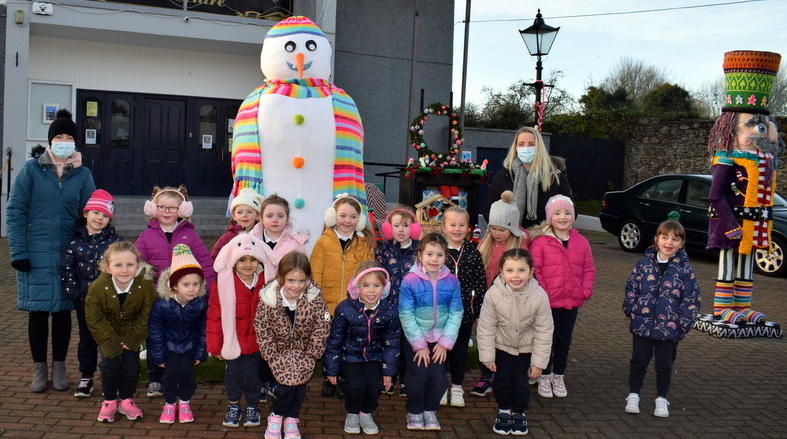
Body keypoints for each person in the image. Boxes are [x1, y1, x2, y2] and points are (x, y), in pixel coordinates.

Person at [7, 109, 96, 393]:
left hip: (68, 255)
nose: (64, 141)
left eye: (69, 137)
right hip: (34, 253)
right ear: (50, 140)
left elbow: (90, 214)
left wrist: (90, 252)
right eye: (59, 136)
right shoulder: (31, 169)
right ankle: (39, 368)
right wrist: (18, 251)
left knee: (61, 312)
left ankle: (59, 366)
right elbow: (15, 210)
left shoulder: (83, 174)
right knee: (37, 311)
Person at [135, 185, 216, 397]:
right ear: (153, 209)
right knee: (156, 336)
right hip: (157, 298)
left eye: (173, 208)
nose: (167, 212)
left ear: (182, 210)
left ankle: (177, 374)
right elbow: (139, 264)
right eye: (162, 207)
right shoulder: (146, 236)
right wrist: (147, 289)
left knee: (179, 336)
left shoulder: (190, 236)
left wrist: (207, 290)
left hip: (184, 298)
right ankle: (155, 377)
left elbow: (205, 264)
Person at [623, 220, 701, 418]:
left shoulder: (685, 270)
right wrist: (631, 309)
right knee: (638, 361)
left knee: (664, 365)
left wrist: (683, 325)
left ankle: (661, 399)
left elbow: (691, 298)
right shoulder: (644, 264)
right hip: (643, 325)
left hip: (670, 329)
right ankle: (633, 395)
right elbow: (632, 287)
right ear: (656, 239)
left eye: (675, 239)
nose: (669, 243)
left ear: (681, 243)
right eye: (665, 237)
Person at [477, 248, 553, 436]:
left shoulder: (539, 296)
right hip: (501, 347)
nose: (516, 276)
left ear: (531, 272)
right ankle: (503, 411)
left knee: (520, 382)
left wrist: (538, 363)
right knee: (502, 381)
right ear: (501, 272)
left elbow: (544, 330)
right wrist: (487, 357)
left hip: (526, 348)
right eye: (510, 270)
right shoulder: (493, 295)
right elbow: (486, 327)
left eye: (521, 270)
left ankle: (519, 413)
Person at [254, 251, 331, 439]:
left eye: (301, 281)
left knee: (299, 386)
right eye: (291, 280)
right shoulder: (269, 299)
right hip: (278, 352)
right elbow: (261, 326)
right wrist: (271, 353)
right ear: (281, 278)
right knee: (286, 385)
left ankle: (290, 418)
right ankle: (277, 415)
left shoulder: (314, 299)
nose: (296, 286)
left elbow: (322, 325)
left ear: (308, 279)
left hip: (304, 351)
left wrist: (313, 352)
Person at [529, 195, 595, 399]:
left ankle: (558, 374)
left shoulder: (581, 242)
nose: (563, 217)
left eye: (567, 212)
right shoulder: (541, 242)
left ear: (573, 216)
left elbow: (588, 269)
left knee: (563, 340)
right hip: (547, 302)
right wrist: (545, 293)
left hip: (571, 301)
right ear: (549, 217)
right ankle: (544, 374)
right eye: (557, 213)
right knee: (544, 339)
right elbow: (535, 270)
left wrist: (584, 291)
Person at [325, 262, 401, 434]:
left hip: (374, 356)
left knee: (373, 386)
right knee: (356, 386)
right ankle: (352, 413)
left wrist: (389, 372)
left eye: (377, 285)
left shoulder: (389, 311)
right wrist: (331, 369)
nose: (371, 291)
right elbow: (335, 340)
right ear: (356, 287)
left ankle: (365, 412)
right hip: (350, 356)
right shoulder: (345, 309)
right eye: (366, 285)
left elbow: (392, 343)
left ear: (385, 288)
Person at [61, 189, 124, 398]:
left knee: (110, 341)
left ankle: (112, 377)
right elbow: (67, 271)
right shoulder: (73, 244)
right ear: (86, 213)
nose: (100, 218)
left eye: (105, 215)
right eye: (96, 213)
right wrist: (76, 295)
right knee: (87, 341)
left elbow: (125, 269)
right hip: (85, 303)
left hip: (111, 304)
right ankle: (86, 377)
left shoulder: (116, 243)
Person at [85, 241, 156, 422]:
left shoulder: (145, 287)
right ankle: (109, 401)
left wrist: (132, 338)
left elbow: (146, 314)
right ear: (107, 267)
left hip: (133, 335)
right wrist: (110, 342)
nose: (124, 270)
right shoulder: (98, 287)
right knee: (109, 367)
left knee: (131, 368)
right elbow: (94, 318)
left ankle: (126, 400)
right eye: (118, 265)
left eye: (130, 265)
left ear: (138, 265)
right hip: (108, 335)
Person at [311, 194, 374, 396]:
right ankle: (330, 378)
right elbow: (315, 272)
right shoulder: (323, 242)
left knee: (350, 344)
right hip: (328, 304)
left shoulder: (363, 244)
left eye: (353, 216)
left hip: (353, 305)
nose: (347, 221)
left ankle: (346, 379)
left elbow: (368, 272)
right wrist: (316, 299)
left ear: (360, 220)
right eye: (343, 215)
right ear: (333, 217)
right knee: (331, 343)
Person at [398, 233, 463, 431]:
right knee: (418, 375)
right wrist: (419, 345)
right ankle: (415, 411)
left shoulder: (452, 281)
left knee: (438, 377)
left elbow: (456, 312)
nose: (434, 259)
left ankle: (430, 410)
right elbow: (406, 314)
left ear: (446, 257)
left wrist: (445, 343)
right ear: (420, 255)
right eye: (430, 254)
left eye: (439, 255)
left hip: (440, 338)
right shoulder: (409, 281)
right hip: (416, 339)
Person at [207, 234, 267, 428]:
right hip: (232, 341)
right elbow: (215, 315)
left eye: (252, 259)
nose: (247, 264)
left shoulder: (266, 283)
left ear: (260, 260)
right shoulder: (223, 283)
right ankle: (233, 405)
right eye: (241, 259)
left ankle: (252, 405)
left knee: (252, 376)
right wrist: (216, 347)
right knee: (233, 375)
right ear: (233, 261)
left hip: (257, 342)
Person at [474, 190, 530, 397]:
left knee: (504, 339)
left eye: (501, 229)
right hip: (486, 301)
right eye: (493, 228)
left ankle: (502, 375)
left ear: (512, 228)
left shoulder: (519, 248)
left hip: (509, 302)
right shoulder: (485, 244)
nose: (496, 233)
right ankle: (485, 376)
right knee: (485, 337)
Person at [148, 244, 208, 424]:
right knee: (171, 375)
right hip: (169, 347)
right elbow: (155, 331)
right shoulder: (162, 304)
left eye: (196, 284)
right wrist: (158, 355)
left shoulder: (200, 304)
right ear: (174, 286)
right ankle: (169, 403)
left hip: (190, 346)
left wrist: (200, 351)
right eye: (186, 284)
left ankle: (185, 402)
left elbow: (203, 329)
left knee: (187, 375)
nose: (192, 289)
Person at [440, 206, 486, 408]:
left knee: (459, 351)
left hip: (465, 314)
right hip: (440, 315)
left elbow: (480, 283)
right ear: (443, 227)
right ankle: (440, 386)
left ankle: (457, 386)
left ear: (468, 228)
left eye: (461, 225)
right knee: (440, 351)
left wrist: (477, 311)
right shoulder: (437, 251)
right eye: (452, 225)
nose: (457, 229)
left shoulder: (473, 253)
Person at [483, 126, 571, 229]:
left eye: (531, 144)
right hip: (511, 239)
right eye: (521, 144)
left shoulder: (555, 177)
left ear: (539, 147)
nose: (526, 148)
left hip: (545, 238)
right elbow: (488, 212)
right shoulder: (502, 177)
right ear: (515, 147)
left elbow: (571, 210)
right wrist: (505, 230)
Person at [374, 206, 420, 396]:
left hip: (412, 308)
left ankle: (406, 380)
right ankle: (388, 378)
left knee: (408, 344)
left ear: (414, 229)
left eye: (405, 226)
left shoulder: (420, 251)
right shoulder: (383, 251)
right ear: (388, 228)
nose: (401, 230)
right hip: (389, 306)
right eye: (396, 226)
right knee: (389, 343)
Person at [249, 193, 309, 280]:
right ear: (261, 218)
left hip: (285, 290)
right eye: (269, 216)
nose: (275, 220)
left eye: (280, 216)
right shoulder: (251, 240)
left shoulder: (296, 244)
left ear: (287, 218)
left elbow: (303, 271)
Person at [211, 187, 264, 259]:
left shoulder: (262, 235)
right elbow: (214, 257)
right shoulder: (227, 238)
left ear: (257, 215)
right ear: (234, 216)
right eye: (240, 212)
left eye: (249, 212)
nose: (244, 215)